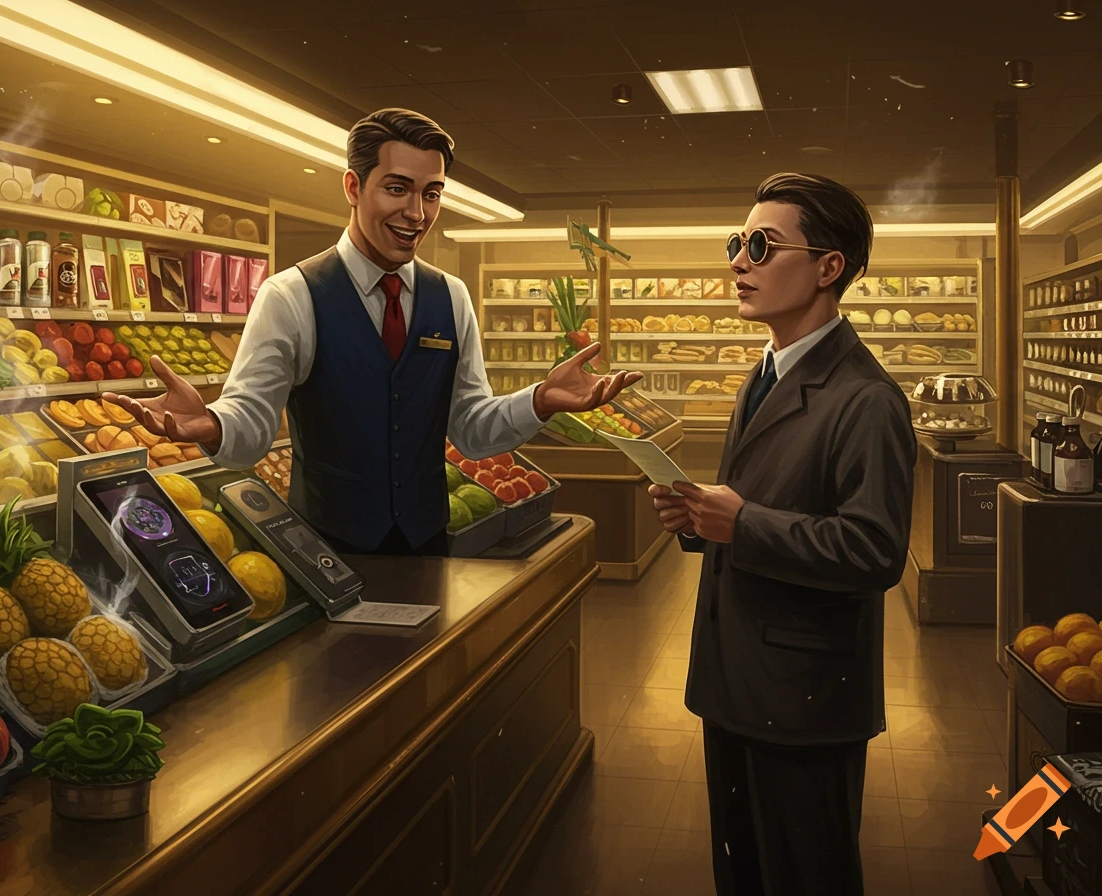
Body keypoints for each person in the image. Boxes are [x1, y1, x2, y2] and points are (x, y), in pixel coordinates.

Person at [106, 108, 640, 555]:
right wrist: (212, 424)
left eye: (431, 194)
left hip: (429, 545)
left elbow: (472, 430)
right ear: (353, 186)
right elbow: (252, 424)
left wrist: (541, 401)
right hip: (325, 549)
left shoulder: (451, 297)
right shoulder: (291, 295)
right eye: (397, 189)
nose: (416, 213)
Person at [649, 173, 915, 894]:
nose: (739, 261)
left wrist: (741, 523)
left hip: (803, 700)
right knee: (743, 871)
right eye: (737, 243)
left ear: (829, 268)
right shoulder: (761, 375)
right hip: (735, 680)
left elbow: (875, 551)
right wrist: (699, 521)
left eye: (762, 246)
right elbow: (757, 506)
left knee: (805, 875)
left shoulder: (867, 399)